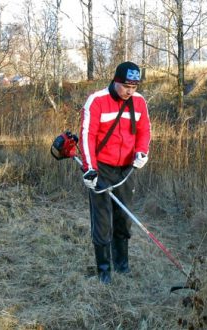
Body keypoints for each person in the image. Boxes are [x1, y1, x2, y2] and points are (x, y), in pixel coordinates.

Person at [79, 61, 151, 284]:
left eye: (134, 86)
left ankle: (122, 265)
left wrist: (141, 152)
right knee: (102, 222)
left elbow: (144, 130)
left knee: (124, 219)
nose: (130, 91)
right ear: (115, 80)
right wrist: (89, 169)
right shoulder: (97, 101)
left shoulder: (139, 103)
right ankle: (104, 271)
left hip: (126, 171)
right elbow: (86, 135)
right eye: (126, 86)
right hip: (101, 169)